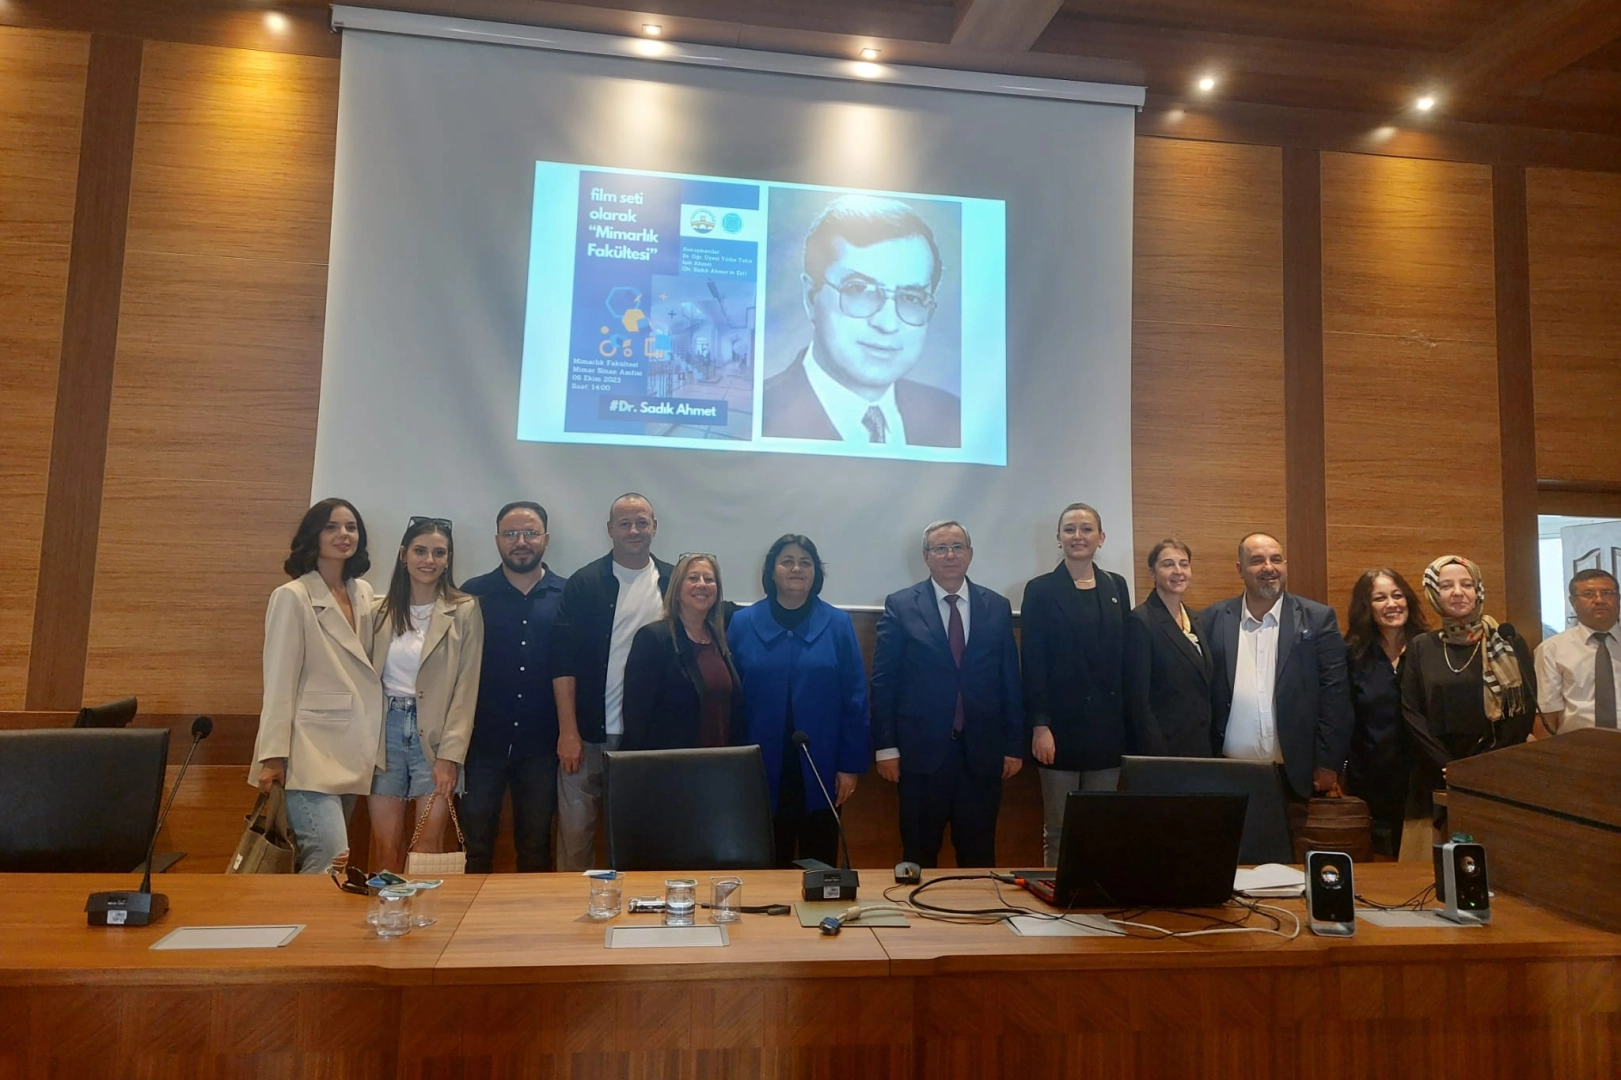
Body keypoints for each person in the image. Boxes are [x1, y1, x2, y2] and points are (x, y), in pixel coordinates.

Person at [871, 521, 1023, 868]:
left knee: (979, 858)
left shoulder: (996, 606)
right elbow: (884, 682)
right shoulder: (901, 605)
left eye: (957, 547)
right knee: (918, 857)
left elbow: (1009, 679)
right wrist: (886, 747)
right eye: (940, 548)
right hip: (921, 757)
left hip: (981, 755)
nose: (950, 555)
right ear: (926, 556)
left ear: (970, 554)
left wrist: (1014, 744)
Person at [251, 499, 383, 875]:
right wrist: (272, 756)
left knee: (335, 862)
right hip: (306, 751)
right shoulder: (292, 595)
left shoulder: (363, 592)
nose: (344, 534)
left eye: (351, 527)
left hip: (353, 748)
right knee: (329, 855)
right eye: (331, 527)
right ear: (313, 535)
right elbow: (279, 681)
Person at [762, 196, 960, 448]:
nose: (887, 324)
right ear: (811, 297)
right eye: (858, 290)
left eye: (911, 297)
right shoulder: (750, 415)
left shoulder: (953, 418)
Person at [730, 535, 870, 866]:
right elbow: (731, 698)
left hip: (821, 765)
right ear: (772, 571)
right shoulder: (742, 623)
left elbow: (855, 697)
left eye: (805, 562)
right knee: (765, 862)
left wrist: (849, 766)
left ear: (815, 572)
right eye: (787, 561)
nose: (796, 568)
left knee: (819, 863)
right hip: (759, 766)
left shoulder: (837, 623)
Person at [551, 493, 671, 870]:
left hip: (649, 740)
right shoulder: (584, 583)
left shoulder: (673, 581)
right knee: (575, 839)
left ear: (654, 527)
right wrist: (568, 732)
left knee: (644, 838)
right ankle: (570, 906)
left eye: (642, 522)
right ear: (610, 530)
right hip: (587, 736)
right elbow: (563, 663)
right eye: (625, 523)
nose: (634, 530)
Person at [365, 517, 483, 873]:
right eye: (420, 551)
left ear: (448, 560)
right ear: (403, 555)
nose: (429, 560)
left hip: (434, 739)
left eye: (439, 553)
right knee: (386, 847)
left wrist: (450, 755)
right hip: (384, 735)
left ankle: (422, 911)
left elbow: (466, 690)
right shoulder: (377, 611)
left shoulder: (464, 609)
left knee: (427, 848)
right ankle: (390, 908)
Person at [1020, 503, 1132, 867]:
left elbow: (1123, 659)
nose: (1078, 536)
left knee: (1100, 826)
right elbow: (1033, 662)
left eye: (1086, 529)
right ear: (1058, 538)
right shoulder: (1040, 590)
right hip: (1058, 731)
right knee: (1060, 829)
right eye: (1069, 529)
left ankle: (1093, 895)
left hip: (1107, 731)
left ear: (1101, 538)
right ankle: (1057, 896)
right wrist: (1040, 726)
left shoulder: (1117, 586)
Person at [458, 502, 568, 873]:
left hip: (542, 746)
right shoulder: (472, 594)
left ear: (546, 539)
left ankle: (532, 913)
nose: (521, 542)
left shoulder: (568, 594)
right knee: (473, 847)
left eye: (530, 533)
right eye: (511, 534)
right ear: (497, 540)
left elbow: (572, 666)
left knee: (536, 847)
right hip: (480, 744)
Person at [1202, 532, 1353, 800]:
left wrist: (1328, 763)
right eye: (1257, 560)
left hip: (1296, 775)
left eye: (1276, 559)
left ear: (1285, 565)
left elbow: (1336, 695)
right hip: (1227, 772)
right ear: (1240, 569)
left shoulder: (1318, 619)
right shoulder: (1212, 620)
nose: (1268, 567)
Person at [1403, 556, 1537, 798]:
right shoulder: (1421, 646)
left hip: (1498, 768)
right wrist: (1448, 765)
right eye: (1446, 586)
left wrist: (1484, 765)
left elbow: (1523, 711)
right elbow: (1412, 712)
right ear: (1434, 594)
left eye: (1467, 584)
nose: (1458, 592)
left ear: (1478, 591)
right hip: (1438, 772)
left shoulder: (1507, 641)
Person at [1342, 568, 1429, 856]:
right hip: (1369, 778)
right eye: (1380, 598)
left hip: (1421, 779)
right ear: (1366, 607)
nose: (1392, 604)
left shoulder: (1429, 647)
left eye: (1397, 595)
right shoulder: (1352, 654)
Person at [620, 553, 745, 751]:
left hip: (720, 761)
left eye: (709, 579)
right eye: (693, 578)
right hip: (671, 763)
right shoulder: (653, 639)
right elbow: (636, 716)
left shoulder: (720, 639)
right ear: (677, 590)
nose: (702, 584)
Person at [1125, 538, 1214, 758]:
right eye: (1168, 564)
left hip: (1200, 744)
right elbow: (1138, 699)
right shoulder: (1141, 621)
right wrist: (1156, 753)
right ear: (1152, 573)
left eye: (1184, 564)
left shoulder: (1197, 619)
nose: (1178, 571)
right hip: (1164, 749)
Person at [1535, 568, 1621, 735]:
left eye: (1607, 593)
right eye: (1588, 594)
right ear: (1573, 602)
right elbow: (1547, 715)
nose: (1599, 600)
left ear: (1618, 598)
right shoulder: (1552, 649)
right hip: (1576, 745)